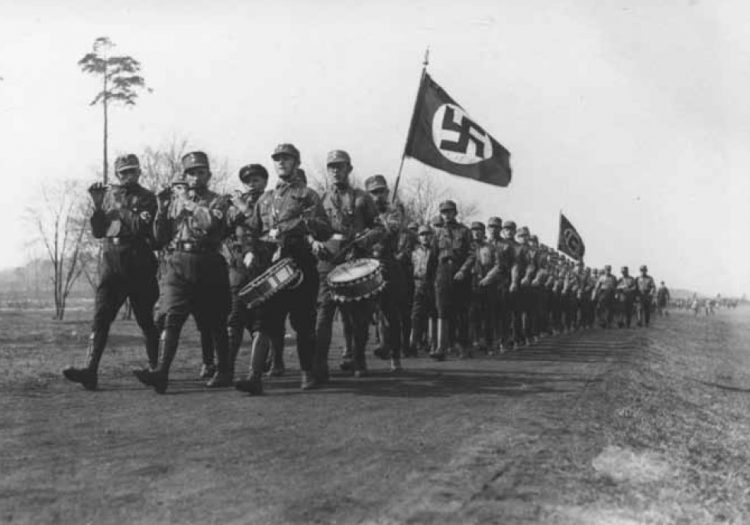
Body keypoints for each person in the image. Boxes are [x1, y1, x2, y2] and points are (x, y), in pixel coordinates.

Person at [234, 143, 332, 394]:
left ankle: (307, 373)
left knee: (304, 322)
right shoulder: (266, 198)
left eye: (286, 159)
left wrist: (297, 225)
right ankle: (254, 376)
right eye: (277, 159)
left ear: (296, 163)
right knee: (265, 320)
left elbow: (323, 228)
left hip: (299, 264)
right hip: (270, 266)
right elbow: (249, 229)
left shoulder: (308, 195)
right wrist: (249, 251)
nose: (281, 162)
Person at [134, 151, 233, 394]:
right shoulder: (174, 202)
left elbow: (210, 224)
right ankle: (162, 373)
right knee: (172, 317)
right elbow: (160, 238)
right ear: (184, 176)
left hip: (207, 261)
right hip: (178, 262)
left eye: (200, 172)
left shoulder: (219, 200)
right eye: (190, 173)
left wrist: (188, 203)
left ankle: (224, 371)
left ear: (208, 175)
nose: (195, 177)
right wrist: (161, 209)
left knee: (215, 321)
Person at [63, 154, 160, 391]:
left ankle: (156, 370)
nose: (128, 176)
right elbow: (98, 232)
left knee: (145, 319)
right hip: (112, 263)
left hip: (138, 264)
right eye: (123, 172)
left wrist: (120, 205)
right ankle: (90, 370)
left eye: (132, 171)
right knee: (101, 318)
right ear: (117, 175)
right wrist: (97, 206)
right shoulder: (108, 197)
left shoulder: (147, 197)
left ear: (139, 172)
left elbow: (140, 226)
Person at [313, 150, 383, 381]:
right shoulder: (320, 199)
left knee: (358, 315)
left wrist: (367, 238)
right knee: (324, 313)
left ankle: (359, 357)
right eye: (331, 166)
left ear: (349, 169)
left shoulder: (363, 198)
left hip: (355, 262)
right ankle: (320, 364)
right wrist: (313, 242)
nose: (335, 170)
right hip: (328, 262)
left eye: (340, 166)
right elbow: (310, 230)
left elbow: (379, 228)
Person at [223, 164, 270, 379]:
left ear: (264, 182)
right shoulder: (236, 203)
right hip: (239, 265)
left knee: (261, 319)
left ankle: (255, 373)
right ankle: (226, 370)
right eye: (248, 180)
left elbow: (264, 225)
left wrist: (244, 207)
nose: (252, 183)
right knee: (234, 317)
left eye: (257, 180)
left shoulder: (270, 201)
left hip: (263, 264)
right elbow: (227, 224)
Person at [366, 174, 408, 372]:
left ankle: (395, 356)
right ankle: (355, 355)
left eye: (381, 191)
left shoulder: (394, 211)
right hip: (366, 264)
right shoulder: (362, 212)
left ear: (387, 192)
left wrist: (375, 224)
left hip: (388, 263)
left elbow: (391, 230)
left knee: (390, 312)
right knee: (365, 313)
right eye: (373, 192)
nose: (377, 196)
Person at [430, 200, 472, 360]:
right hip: (442, 273)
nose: (446, 215)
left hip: (460, 273)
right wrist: (430, 279)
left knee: (461, 311)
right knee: (442, 310)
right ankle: (441, 347)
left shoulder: (465, 231)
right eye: (444, 212)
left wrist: (463, 270)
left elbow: (472, 254)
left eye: (449, 211)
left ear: (455, 213)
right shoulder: (438, 233)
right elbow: (433, 257)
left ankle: (463, 346)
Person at [466, 221, 500, 356]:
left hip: (487, 283)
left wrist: (488, 278)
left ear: (484, 232)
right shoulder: (467, 247)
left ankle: (489, 343)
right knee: (472, 315)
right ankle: (473, 342)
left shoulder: (491, 247)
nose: (476, 232)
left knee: (488, 315)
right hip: (471, 283)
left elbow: (498, 265)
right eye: (474, 230)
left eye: (479, 230)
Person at [409, 225, 436, 356]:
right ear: (418, 237)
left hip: (432, 285)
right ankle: (412, 343)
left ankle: (432, 344)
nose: (425, 237)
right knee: (415, 315)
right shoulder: (413, 252)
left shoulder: (435, 251)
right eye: (422, 234)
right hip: (417, 285)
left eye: (427, 234)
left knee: (433, 314)